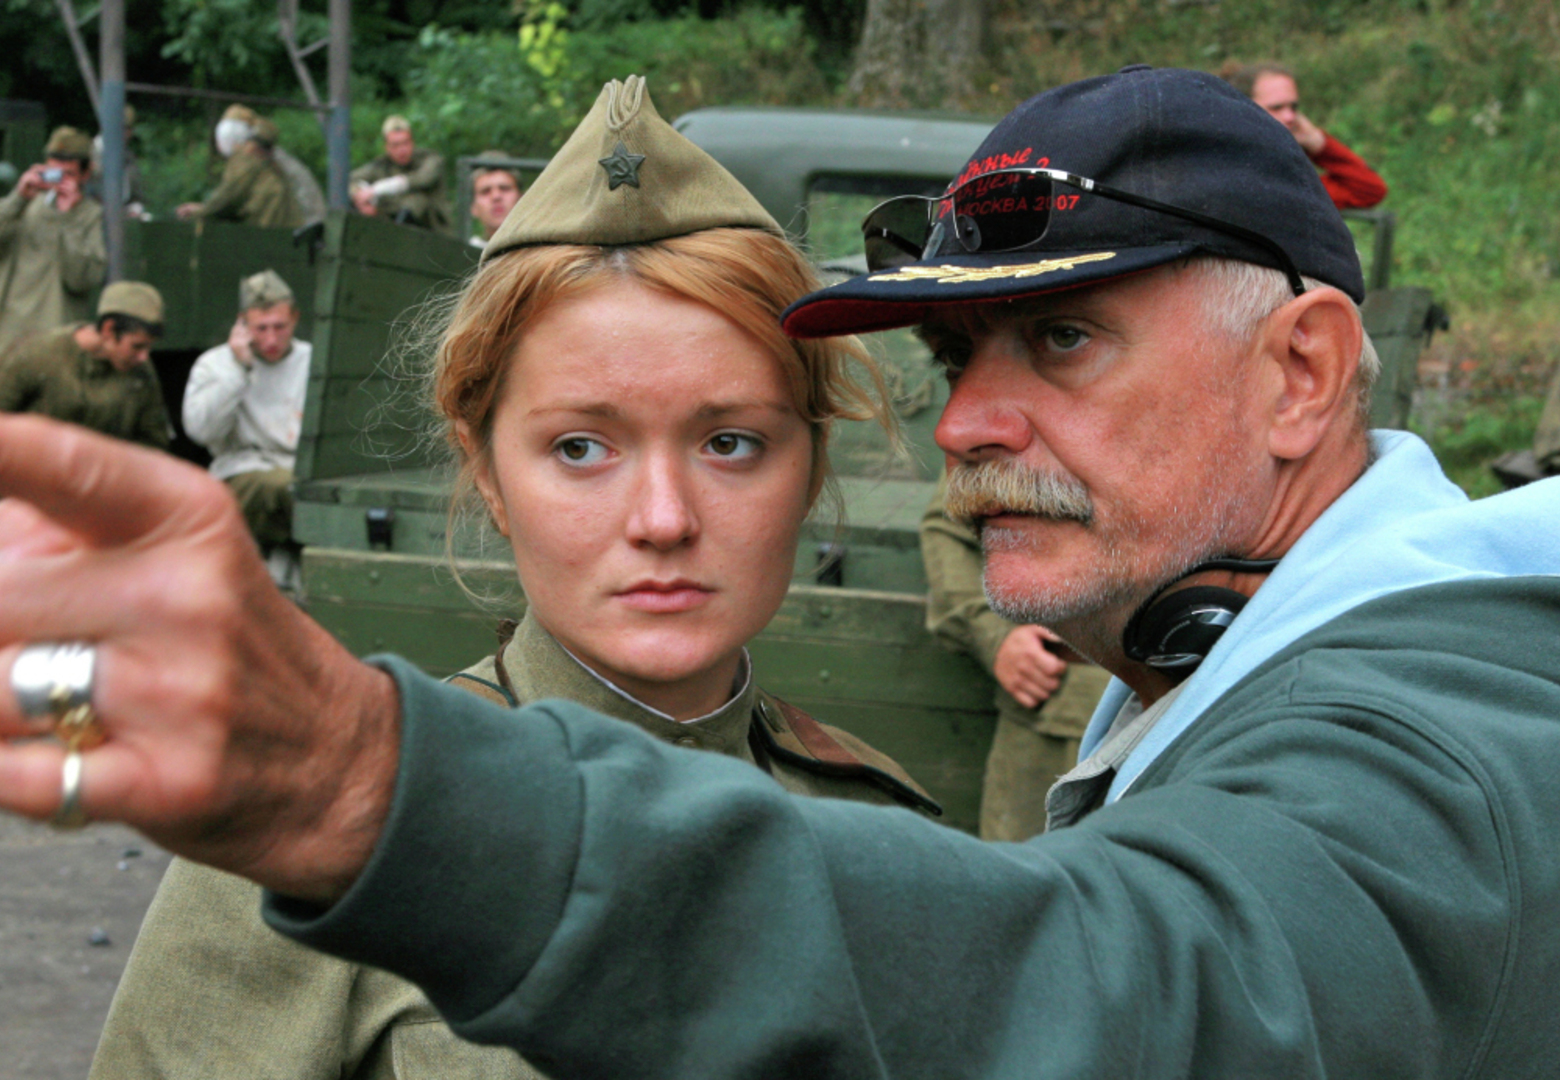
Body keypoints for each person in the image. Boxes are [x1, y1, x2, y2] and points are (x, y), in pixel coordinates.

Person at [4, 66, 1560, 1078]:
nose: (967, 423)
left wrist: (377, 786)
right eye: (582, 448)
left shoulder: (1430, 735)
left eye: (1064, 336)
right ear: (482, 473)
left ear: (1303, 375)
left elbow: (1153, 992)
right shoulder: (285, 873)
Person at [88, 77, 934, 1080]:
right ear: (486, 471)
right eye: (581, 447)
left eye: (732, 442)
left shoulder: (888, 839)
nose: (663, 520)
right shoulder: (321, 845)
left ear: (813, 467)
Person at [920, 468, 1111, 839]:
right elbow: (952, 524)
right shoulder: (1032, 415)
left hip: (1196, 707)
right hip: (1056, 703)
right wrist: (995, 636)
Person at [181, 270, 311, 562]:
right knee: (281, 487)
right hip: (243, 468)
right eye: (260, 328)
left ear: (295, 319)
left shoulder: (311, 360)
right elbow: (200, 431)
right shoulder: (216, 365)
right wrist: (238, 371)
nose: (271, 339)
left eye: (280, 327)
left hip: (300, 466)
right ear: (243, 324)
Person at [0, 280, 167, 449]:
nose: (143, 357)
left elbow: (153, 442)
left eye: (148, 347)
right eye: (137, 346)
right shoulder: (37, 355)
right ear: (109, 330)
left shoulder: (141, 373)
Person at [1222, 61, 1388, 210]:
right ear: (1243, 109)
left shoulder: (1286, 183)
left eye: (1293, 107)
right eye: (1276, 107)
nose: (1290, 117)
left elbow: (1369, 190)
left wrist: (1318, 143)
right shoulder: (1221, 172)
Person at [0, 126, 106, 358]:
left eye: (68, 175)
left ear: (85, 175)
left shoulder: (91, 215)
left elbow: (82, 279)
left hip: (56, 340)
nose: (59, 182)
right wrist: (18, 198)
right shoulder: (24, 204)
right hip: (8, 336)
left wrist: (66, 220)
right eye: (53, 173)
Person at [177, 113, 302, 229]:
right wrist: (204, 208)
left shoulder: (245, 159)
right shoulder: (267, 164)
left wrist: (200, 212)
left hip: (269, 234)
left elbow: (228, 197)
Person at [350, 116, 451, 232]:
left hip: (434, 231)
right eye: (395, 145)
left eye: (405, 143)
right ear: (387, 147)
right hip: (389, 231)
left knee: (416, 202)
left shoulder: (430, 159)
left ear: (412, 142)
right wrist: (361, 199)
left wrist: (376, 190)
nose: (402, 150)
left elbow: (423, 178)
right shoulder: (381, 165)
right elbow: (348, 180)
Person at [469, 152, 523, 247]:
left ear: (521, 198)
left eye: (504, 188)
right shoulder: (464, 252)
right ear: (473, 207)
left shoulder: (544, 250)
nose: (496, 196)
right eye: (485, 191)